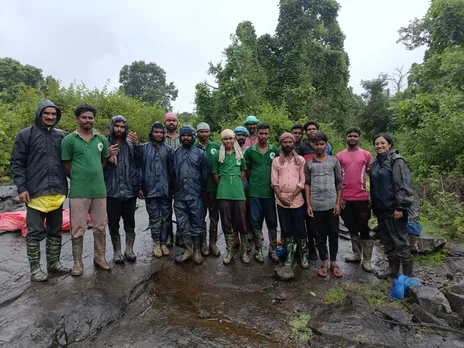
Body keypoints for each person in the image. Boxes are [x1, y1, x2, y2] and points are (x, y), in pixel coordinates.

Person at [11, 99, 70, 282]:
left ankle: (53, 264)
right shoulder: (25, 135)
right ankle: (35, 269)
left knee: (55, 230)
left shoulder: (62, 136)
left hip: (57, 191)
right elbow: (17, 163)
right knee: (35, 231)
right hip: (35, 192)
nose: (51, 117)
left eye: (53, 114)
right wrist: (21, 188)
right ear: (39, 114)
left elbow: (79, 152)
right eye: (47, 114)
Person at [61, 104, 111, 276]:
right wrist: (78, 177)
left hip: (99, 190)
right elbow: (66, 165)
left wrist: (93, 174)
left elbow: (104, 160)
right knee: (77, 227)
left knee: (100, 226)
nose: (88, 120)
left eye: (90, 117)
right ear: (77, 119)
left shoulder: (101, 140)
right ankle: (77, 263)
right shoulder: (69, 140)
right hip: (78, 191)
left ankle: (100, 258)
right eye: (84, 117)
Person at [369, 133, 415, 278]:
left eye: (383, 143)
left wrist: (400, 207)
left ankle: (407, 276)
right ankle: (392, 269)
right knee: (387, 241)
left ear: (389, 144)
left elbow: (404, 185)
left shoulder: (397, 161)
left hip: (395, 210)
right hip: (381, 209)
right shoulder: (374, 163)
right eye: (377, 143)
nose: (379, 146)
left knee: (401, 242)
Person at [305, 133, 343, 278]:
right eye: (316, 144)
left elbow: (339, 183)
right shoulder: (309, 163)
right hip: (315, 205)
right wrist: (308, 204)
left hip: (331, 205)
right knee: (319, 236)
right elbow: (307, 184)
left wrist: (338, 202)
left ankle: (333, 262)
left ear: (326, 145)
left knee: (333, 234)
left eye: (322, 144)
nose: (319, 147)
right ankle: (325, 262)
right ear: (312, 145)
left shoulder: (334, 161)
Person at [336, 128, 374, 272]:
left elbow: (372, 176)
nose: (352, 138)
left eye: (355, 136)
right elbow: (338, 179)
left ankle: (367, 260)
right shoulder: (339, 156)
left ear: (359, 138)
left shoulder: (366, 155)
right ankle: (356, 254)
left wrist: (371, 195)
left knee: (364, 227)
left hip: (362, 197)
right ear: (346, 137)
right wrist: (338, 199)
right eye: (350, 135)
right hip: (346, 198)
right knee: (351, 226)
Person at [104, 115, 140, 264]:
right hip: (111, 191)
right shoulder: (104, 143)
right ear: (112, 127)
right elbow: (95, 165)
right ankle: (117, 251)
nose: (119, 129)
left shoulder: (131, 145)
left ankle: (129, 249)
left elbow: (140, 164)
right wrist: (106, 155)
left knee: (130, 222)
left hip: (130, 190)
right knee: (113, 223)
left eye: (122, 127)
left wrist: (137, 146)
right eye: (117, 126)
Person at [173, 126, 209, 265]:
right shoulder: (175, 154)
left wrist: (201, 191)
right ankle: (187, 250)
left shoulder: (200, 154)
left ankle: (197, 251)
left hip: (196, 195)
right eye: (183, 135)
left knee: (197, 223)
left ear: (193, 137)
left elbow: (205, 175)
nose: (186, 138)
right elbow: (172, 173)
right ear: (180, 137)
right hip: (179, 196)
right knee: (182, 224)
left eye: (189, 135)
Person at [271, 133, 309, 268]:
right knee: (285, 228)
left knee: (300, 227)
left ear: (293, 144)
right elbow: (274, 182)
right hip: (281, 200)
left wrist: (292, 196)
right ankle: (289, 255)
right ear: (281, 144)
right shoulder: (276, 161)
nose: (287, 144)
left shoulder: (300, 160)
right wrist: (280, 197)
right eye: (285, 142)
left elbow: (303, 180)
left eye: (290, 142)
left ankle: (304, 254)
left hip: (297, 199)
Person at [137, 122, 174, 258]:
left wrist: (173, 188)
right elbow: (139, 169)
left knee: (166, 217)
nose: (158, 135)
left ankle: (164, 242)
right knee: (154, 218)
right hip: (150, 189)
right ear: (151, 133)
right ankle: (156, 243)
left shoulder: (169, 150)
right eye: (156, 132)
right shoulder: (144, 149)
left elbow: (172, 170)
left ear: (164, 134)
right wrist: (140, 187)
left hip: (166, 190)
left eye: (161, 132)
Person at [244, 123, 280, 263]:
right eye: (261, 133)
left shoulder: (274, 150)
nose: (263, 136)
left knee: (272, 223)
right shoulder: (250, 151)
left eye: (266, 133)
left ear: (269, 134)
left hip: (270, 193)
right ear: (257, 134)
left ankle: (272, 250)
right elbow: (247, 170)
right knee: (255, 222)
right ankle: (258, 250)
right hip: (254, 193)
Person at [212, 129, 248, 264]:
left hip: (238, 190)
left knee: (242, 220)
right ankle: (230, 251)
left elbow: (243, 171)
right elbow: (215, 174)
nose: (228, 141)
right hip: (223, 190)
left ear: (234, 139)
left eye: (230, 139)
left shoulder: (239, 154)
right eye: (225, 139)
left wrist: (236, 182)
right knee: (226, 221)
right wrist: (224, 183)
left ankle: (244, 252)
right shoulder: (218, 155)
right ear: (222, 140)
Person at [195, 122, 221, 257]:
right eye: (201, 132)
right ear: (197, 133)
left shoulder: (216, 147)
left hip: (214, 188)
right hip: (199, 190)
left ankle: (213, 243)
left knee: (214, 217)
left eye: (206, 131)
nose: (204, 134)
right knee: (200, 217)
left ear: (209, 133)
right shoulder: (193, 147)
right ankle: (203, 243)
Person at [163, 112, 180, 247]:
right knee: (166, 209)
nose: (171, 123)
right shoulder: (160, 136)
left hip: (181, 178)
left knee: (181, 208)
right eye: (169, 120)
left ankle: (181, 234)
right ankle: (168, 235)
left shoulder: (184, 136)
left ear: (177, 122)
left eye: (173, 120)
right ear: (165, 122)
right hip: (165, 178)